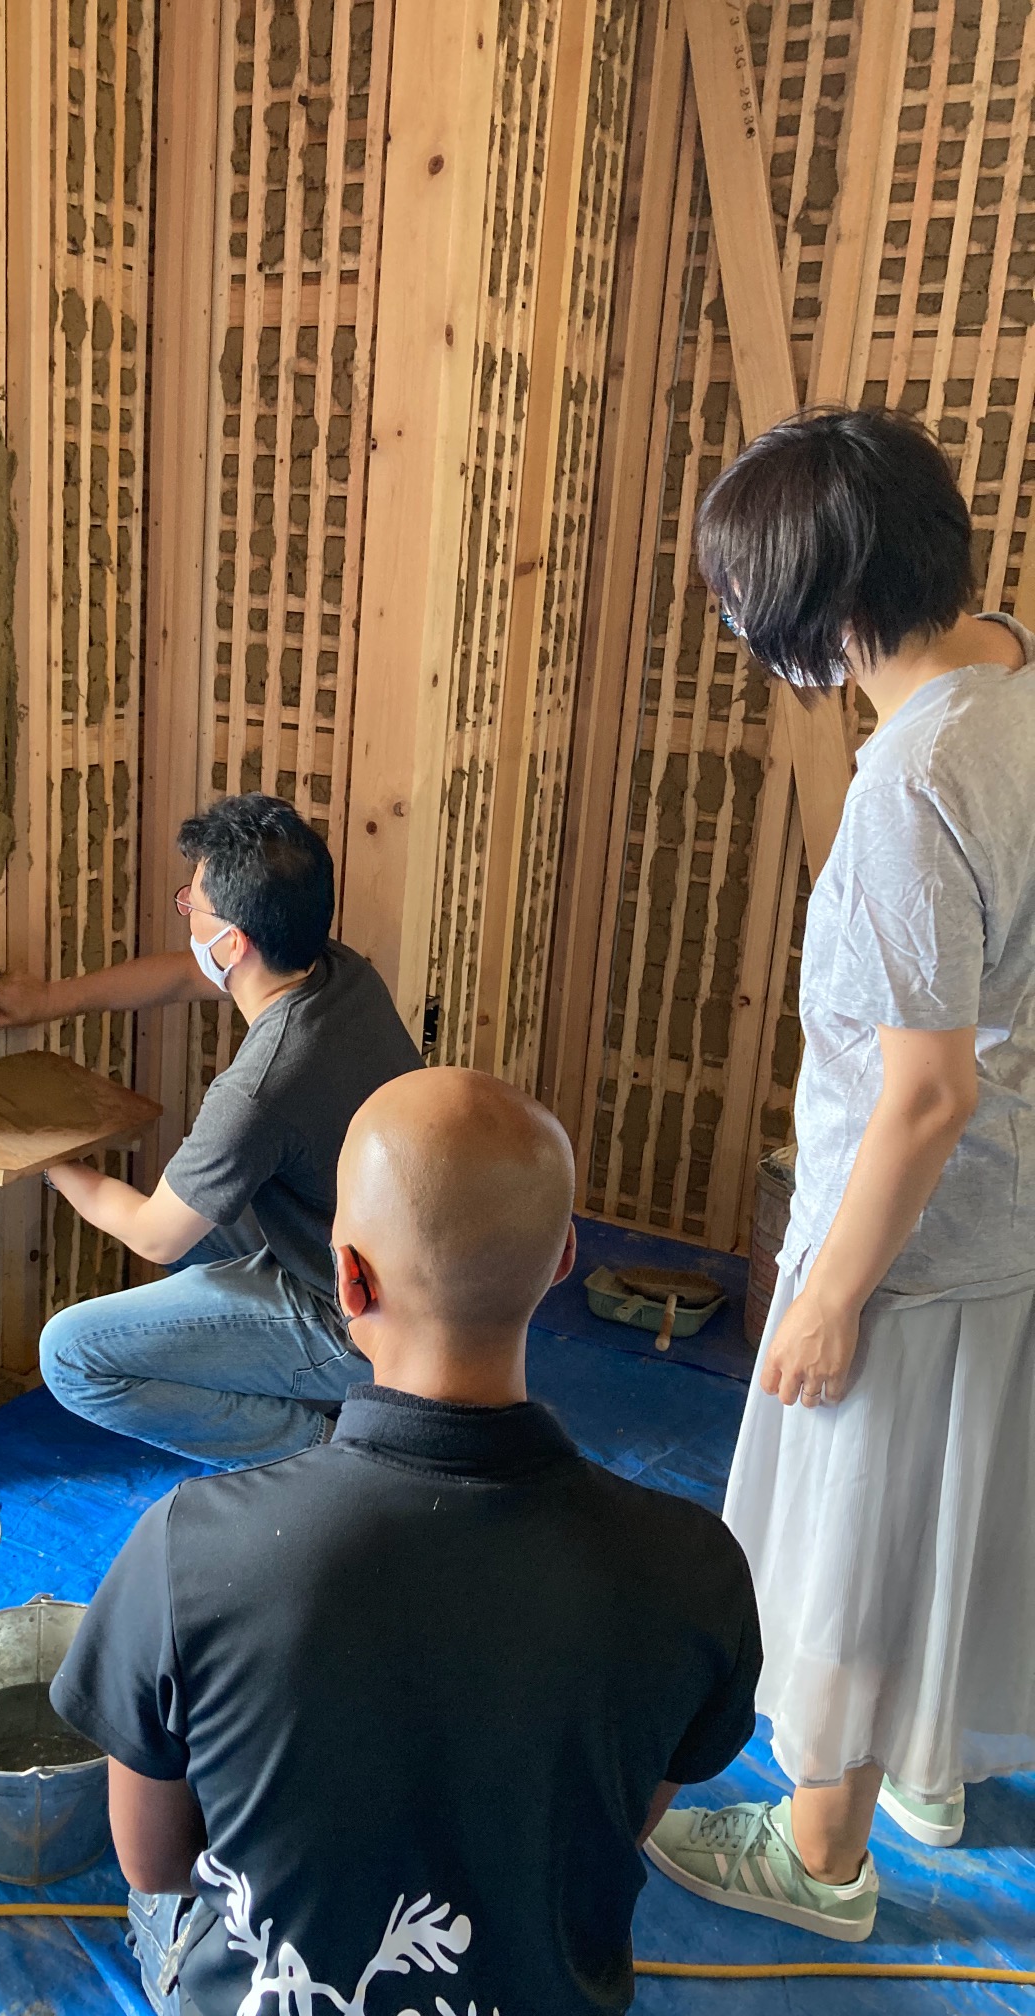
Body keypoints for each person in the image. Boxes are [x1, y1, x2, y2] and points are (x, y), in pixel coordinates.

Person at [48, 1069, 762, 2016]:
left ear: (349, 1276)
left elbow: (156, 1862)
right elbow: (618, 1828)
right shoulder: (696, 1571)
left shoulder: (190, 1551)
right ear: (564, 1259)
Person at [644, 406, 1035, 1941]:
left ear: (831, 604)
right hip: (1009, 1214)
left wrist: (825, 1297)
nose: (740, 627)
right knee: (955, 1510)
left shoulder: (906, 788)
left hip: (912, 1233)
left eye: (746, 600)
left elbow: (923, 1094)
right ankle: (928, 1774)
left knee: (851, 1543)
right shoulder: (1014, 679)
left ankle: (821, 1861)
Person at [0, 792, 423, 1467]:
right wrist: (48, 1001)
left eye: (192, 905)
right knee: (198, 1206)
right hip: (404, 1277)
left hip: (358, 1324)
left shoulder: (261, 1086)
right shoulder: (339, 972)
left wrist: (45, 1156)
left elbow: (154, 1234)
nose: (186, 913)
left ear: (233, 942)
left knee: (71, 1354)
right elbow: (186, 974)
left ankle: (328, 1459)